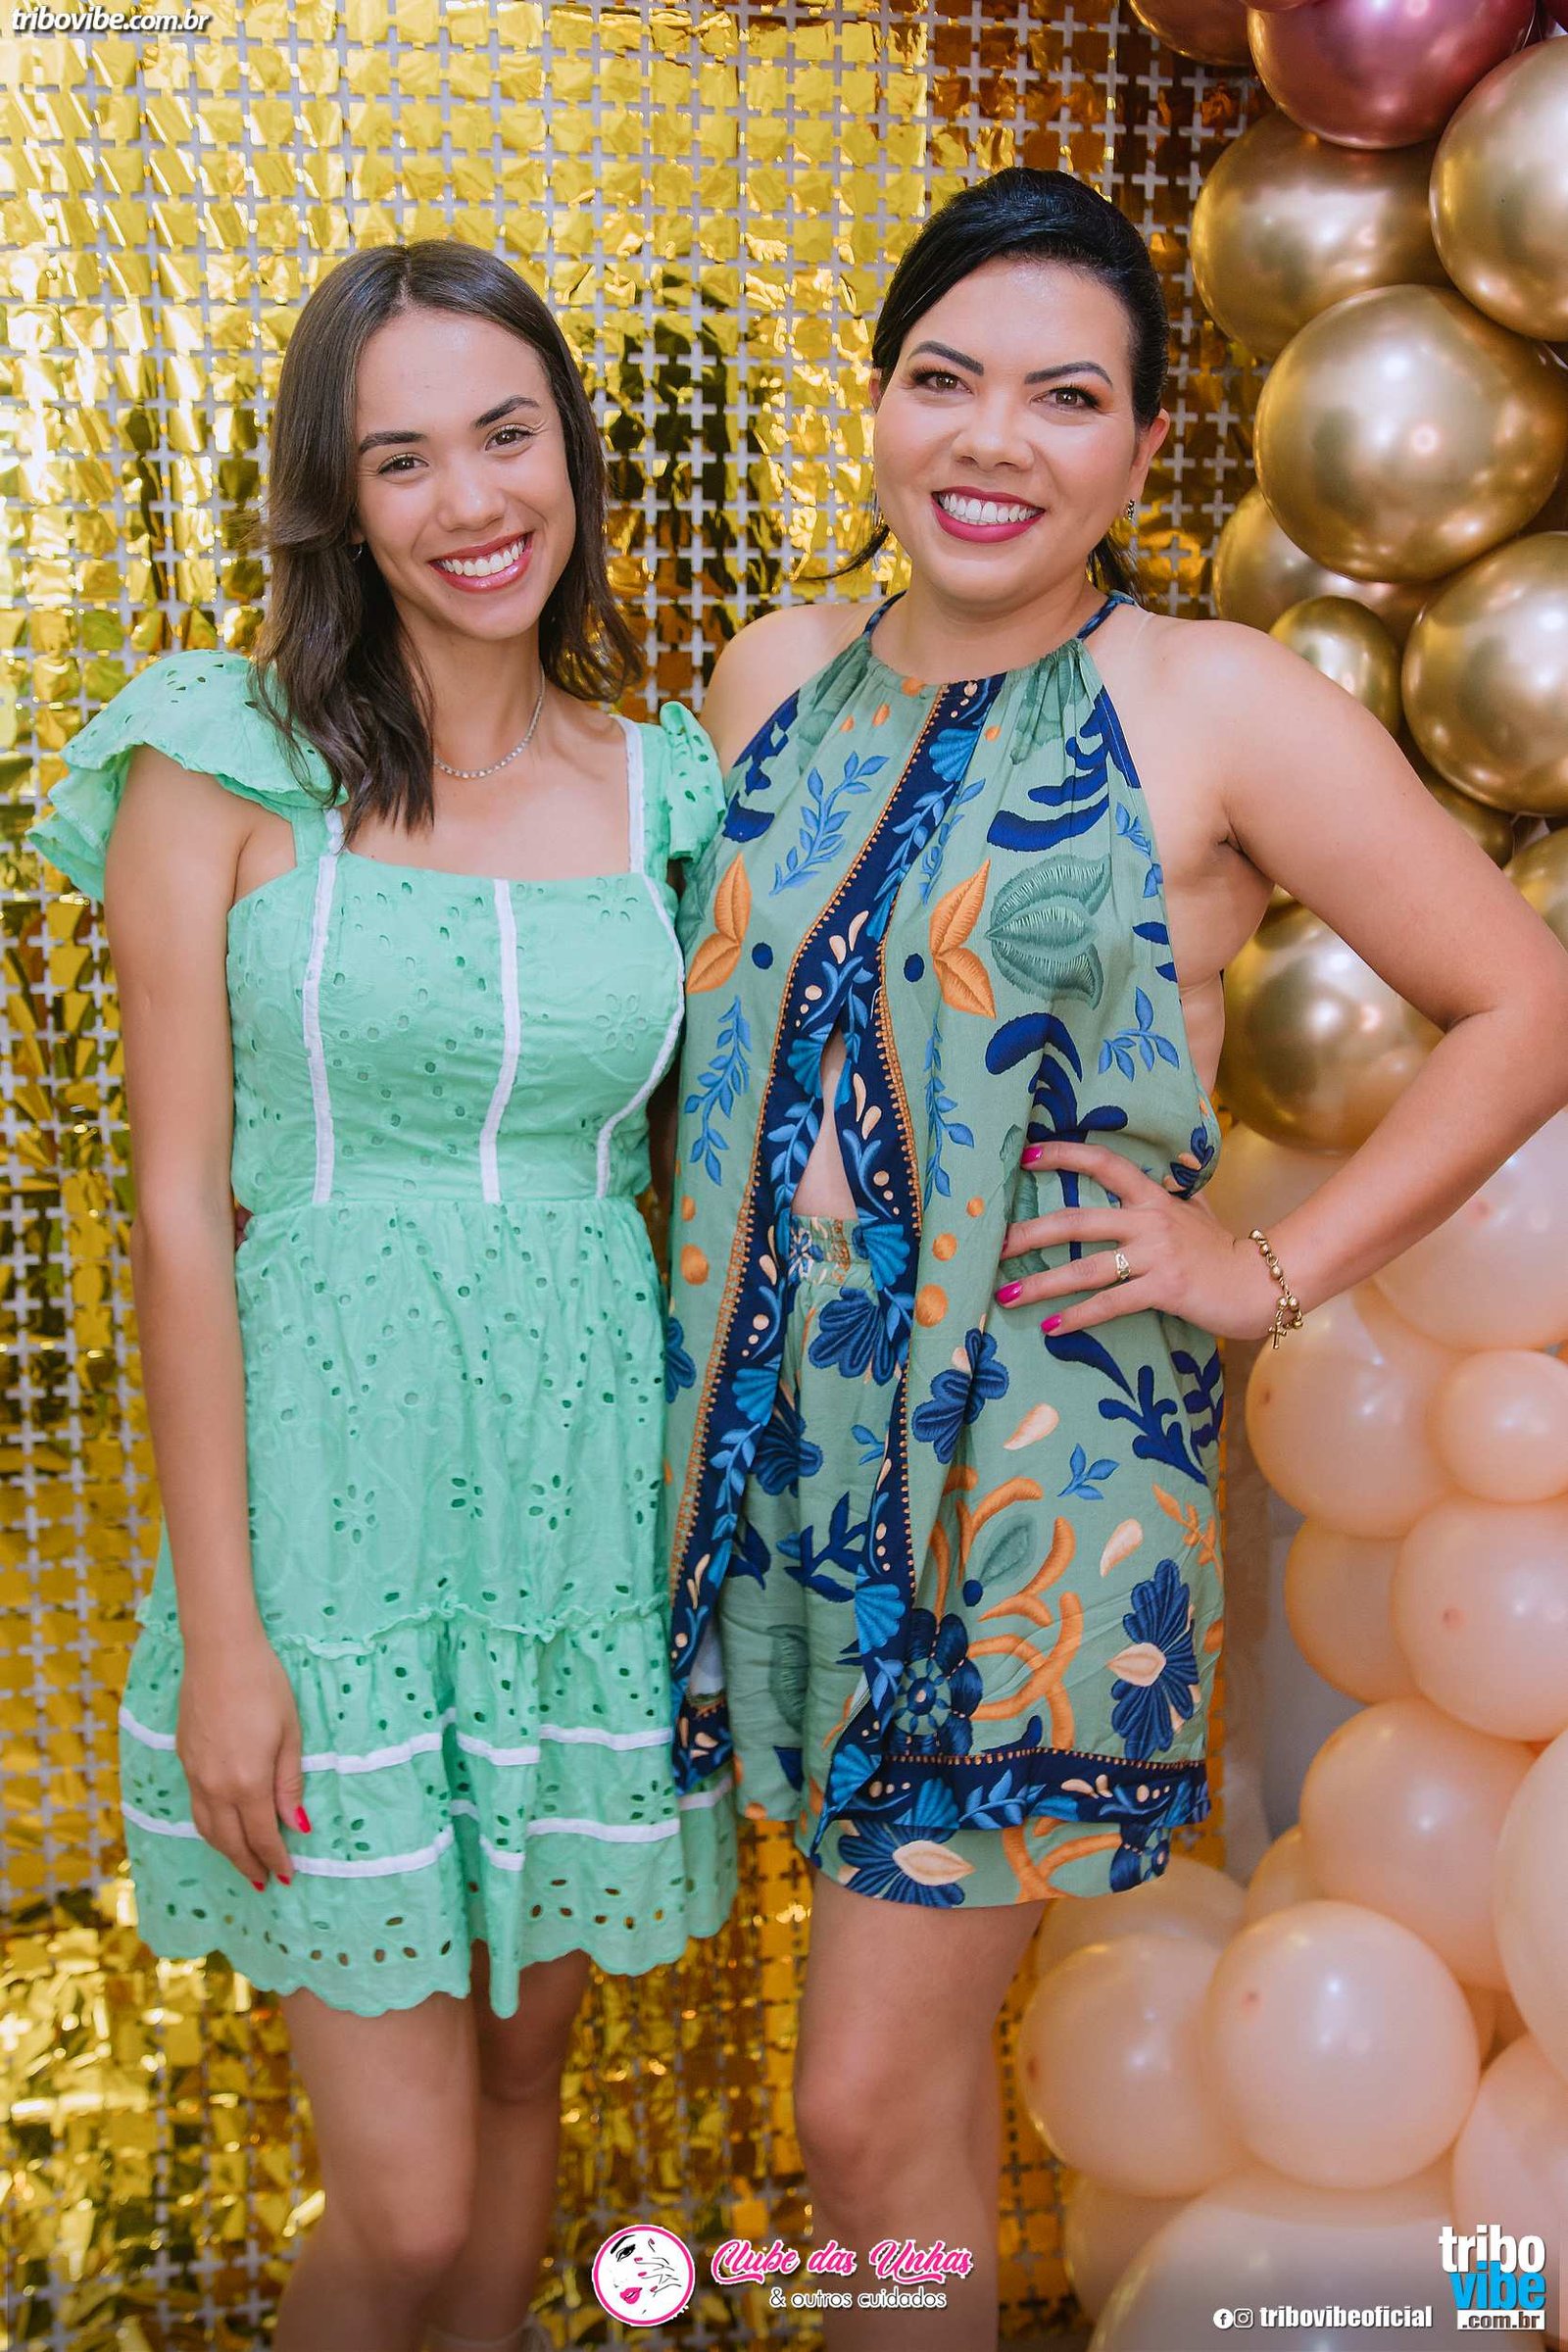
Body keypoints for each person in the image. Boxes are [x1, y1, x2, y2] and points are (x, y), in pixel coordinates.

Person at [661, 167, 1568, 2349]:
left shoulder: (1211, 700)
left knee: (863, 2105)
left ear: (1146, 447)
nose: (993, 439)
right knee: (887, 2114)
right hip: (785, 1473)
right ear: (878, 402)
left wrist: (1264, 1274)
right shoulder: (767, 673)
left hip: (1038, 1496)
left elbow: (1525, 1004)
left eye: (1064, 397)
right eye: (943, 378)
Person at [28, 241, 735, 2352]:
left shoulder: (662, 786)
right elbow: (178, 1214)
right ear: (336, 500)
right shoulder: (221, 762)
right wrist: (226, 1637)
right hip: (329, 1539)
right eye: (400, 457)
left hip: (580, 1522)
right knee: (407, 2210)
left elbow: (692, 1175)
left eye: (506, 435)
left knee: (523, 2103)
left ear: (570, 452)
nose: (470, 500)